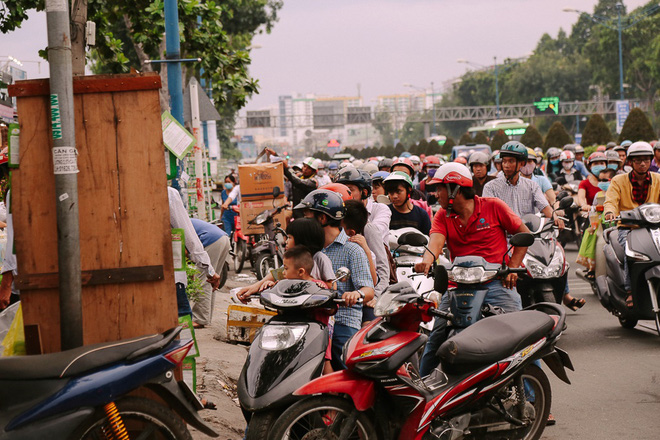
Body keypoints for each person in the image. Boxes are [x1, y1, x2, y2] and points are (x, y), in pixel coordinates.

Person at [414, 163, 531, 376]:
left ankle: (532, 395)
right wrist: (427, 260)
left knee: (521, 335)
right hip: (458, 285)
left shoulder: (494, 206)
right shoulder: (442, 215)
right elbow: (435, 243)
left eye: (439, 188)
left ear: (454, 190)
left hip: (496, 281)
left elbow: (524, 235)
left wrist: (513, 267)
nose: (435, 193)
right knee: (436, 337)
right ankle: (422, 395)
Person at [294, 189, 375, 370]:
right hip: (308, 319)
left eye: (307, 216)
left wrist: (355, 294)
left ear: (322, 219)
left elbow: (369, 290)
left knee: (345, 368)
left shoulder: (353, 250)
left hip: (341, 321)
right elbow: (284, 271)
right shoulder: (307, 248)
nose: (303, 221)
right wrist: (258, 285)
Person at [604, 141, 660, 308]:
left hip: (654, 227)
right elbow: (611, 201)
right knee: (632, 252)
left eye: (646, 160)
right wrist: (609, 212)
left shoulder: (658, 179)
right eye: (637, 160)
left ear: (651, 160)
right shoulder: (618, 181)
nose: (642, 164)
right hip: (628, 228)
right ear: (630, 163)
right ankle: (630, 291)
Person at [237, 218, 336, 300]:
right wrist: (254, 287)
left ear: (302, 239)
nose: (286, 242)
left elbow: (332, 285)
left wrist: (319, 284)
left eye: (289, 238)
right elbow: (276, 275)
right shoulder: (292, 260)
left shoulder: (320, 258)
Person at [482, 142, 562, 228]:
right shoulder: (490, 187)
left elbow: (545, 207)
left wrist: (555, 218)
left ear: (522, 163)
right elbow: (487, 216)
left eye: (511, 161)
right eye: (504, 161)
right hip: (502, 236)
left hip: (528, 236)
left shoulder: (532, 186)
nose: (506, 165)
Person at [168, 187, 221, 318]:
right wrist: (209, 270)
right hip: (170, 277)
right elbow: (191, 241)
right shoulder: (168, 193)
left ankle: (203, 318)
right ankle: (202, 318)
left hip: (212, 241)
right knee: (182, 328)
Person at [190, 219, 231, 328]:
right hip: (223, 238)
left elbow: (184, 251)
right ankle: (205, 318)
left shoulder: (171, 226)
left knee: (202, 279)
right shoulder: (181, 219)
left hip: (211, 240)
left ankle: (200, 319)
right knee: (212, 280)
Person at [335, 167, 391, 243]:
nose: (344, 193)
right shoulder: (338, 211)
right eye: (341, 190)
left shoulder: (381, 209)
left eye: (350, 190)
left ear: (364, 192)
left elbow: (376, 234)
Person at [383, 171, 431, 235]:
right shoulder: (385, 213)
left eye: (398, 191)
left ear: (409, 190)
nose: (395, 196)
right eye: (391, 192)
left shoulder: (421, 215)